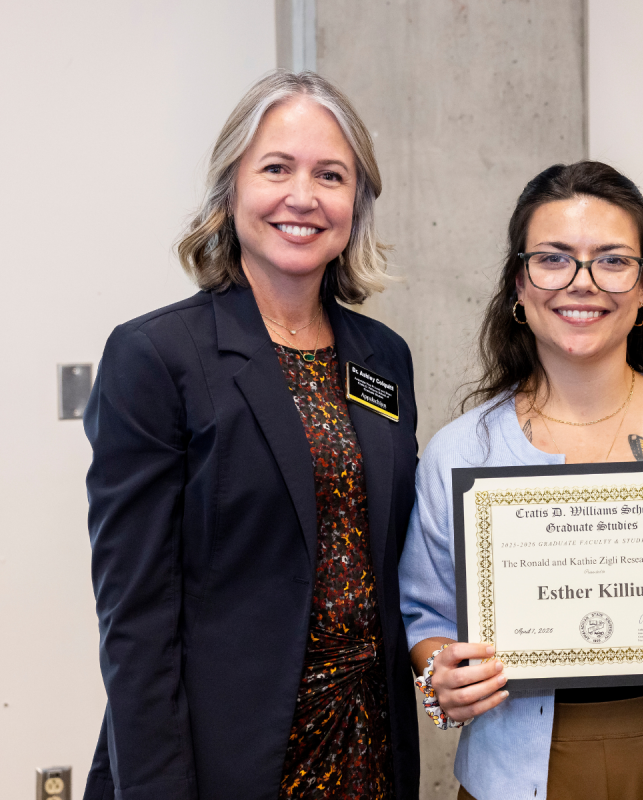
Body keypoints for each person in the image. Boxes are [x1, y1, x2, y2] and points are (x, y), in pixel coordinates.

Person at [398, 161, 643, 800]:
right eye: (553, 260)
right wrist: (438, 675)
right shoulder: (462, 453)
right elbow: (426, 614)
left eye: (612, 261)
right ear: (519, 286)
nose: (582, 284)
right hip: (513, 766)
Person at [83, 71, 420, 800]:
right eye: (276, 168)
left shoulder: (382, 357)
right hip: (220, 761)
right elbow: (135, 618)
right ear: (230, 188)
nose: (303, 197)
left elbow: (390, 553)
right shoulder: (156, 357)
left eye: (330, 175)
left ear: (355, 204)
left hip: (366, 750)